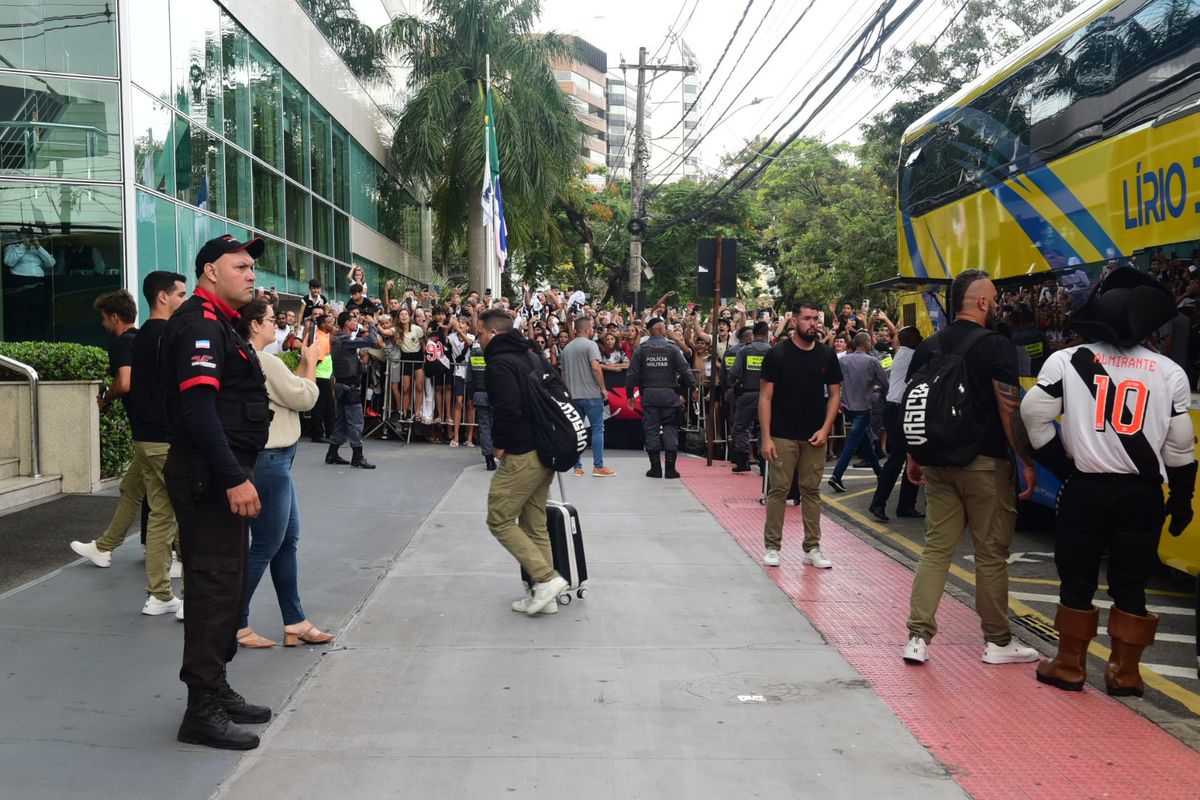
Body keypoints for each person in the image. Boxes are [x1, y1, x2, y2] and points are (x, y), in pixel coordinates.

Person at [1022, 267, 1196, 696]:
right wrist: (1182, 498)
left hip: (1086, 487)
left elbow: (1032, 415)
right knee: (1132, 581)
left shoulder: (1068, 360)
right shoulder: (1169, 372)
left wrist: (1061, 466)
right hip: (1142, 493)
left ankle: (1069, 664)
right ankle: (1125, 673)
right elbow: (1180, 446)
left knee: (1076, 576)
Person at [160, 234, 273, 750]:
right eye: (241, 266)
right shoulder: (202, 326)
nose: (250, 274)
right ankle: (200, 708)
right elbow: (200, 411)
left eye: (252, 267)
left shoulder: (222, 322)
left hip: (219, 476)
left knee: (229, 582)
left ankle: (217, 686)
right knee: (211, 587)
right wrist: (233, 477)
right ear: (210, 271)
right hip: (209, 480)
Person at [902, 269, 1040, 667]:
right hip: (985, 464)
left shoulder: (928, 346)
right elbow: (1008, 408)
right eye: (994, 298)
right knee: (990, 553)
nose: (997, 305)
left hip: (937, 463)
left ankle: (917, 637)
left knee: (937, 549)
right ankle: (997, 641)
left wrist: (915, 456)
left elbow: (917, 403)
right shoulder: (996, 345)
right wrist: (1027, 461)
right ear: (982, 302)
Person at [72, 277, 187, 615]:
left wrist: (105, 398)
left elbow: (125, 382)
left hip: (148, 438)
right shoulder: (152, 338)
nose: (103, 323)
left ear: (113, 317)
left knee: (161, 510)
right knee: (173, 511)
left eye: (103, 318)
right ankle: (167, 591)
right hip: (159, 439)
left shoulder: (130, 342)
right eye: (182, 294)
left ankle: (158, 590)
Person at [232, 298, 335, 650]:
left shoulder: (251, 357)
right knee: (266, 545)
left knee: (285, 543)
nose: (276, 324)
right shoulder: (262, 360)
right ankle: (235, 621)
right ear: (255, 325)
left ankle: (295, 620)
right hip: (271, 460)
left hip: (275, 459)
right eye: (271, 319)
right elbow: (305, 398)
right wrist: (309, 363)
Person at [479, 308, 568, 616]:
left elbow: (507, 408)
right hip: (546, 449)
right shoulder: (532, 355)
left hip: (523, 452)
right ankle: (545, 596)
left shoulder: (500, 363)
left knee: (499, 517)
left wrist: (499, 445)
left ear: (492, 333)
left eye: (479, 333)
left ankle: (545, 580)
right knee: (534, 523)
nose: (477, 340)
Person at [758, 300, 843, 569]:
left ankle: (813, 547)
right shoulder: (777, 354)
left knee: (811, 491)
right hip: (782, 434)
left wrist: (826, 429)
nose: (813, 324)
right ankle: (772, 547)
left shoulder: (826, 355)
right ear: (794, 321)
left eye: (816, 319)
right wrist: (767, 437)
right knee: (779, 490)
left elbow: (835, 395)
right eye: (807, 318)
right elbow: (765, 397)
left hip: (814, 435)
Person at [626, 317, 694, 479]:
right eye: (664, 328)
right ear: (661, 329)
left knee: (651, 431)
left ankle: (655, 468)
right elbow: (685, 371)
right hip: (669, 396)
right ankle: (670, 469)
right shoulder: (672, 348)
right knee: (670, 429)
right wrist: (692, 389)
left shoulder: (641, 349)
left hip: (649, 395)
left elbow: (632, 375)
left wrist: (630, 395)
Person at [868, 325, 924, 521]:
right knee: (899, 458)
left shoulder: (901, 352)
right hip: (899, 409)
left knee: (910, 456)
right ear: (909, 338)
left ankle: (906, 505)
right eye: (918, 335)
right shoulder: (910, 354)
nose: (922, 337)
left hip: (894, 408)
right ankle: (878, 503)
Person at [827, 332, 887, 492]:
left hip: (848, 407)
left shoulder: (844, 361)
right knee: (852, 443)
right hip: (863, 407)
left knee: (865, 441)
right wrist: (877, 390)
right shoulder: (872, 361)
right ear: (867, 343)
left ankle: (879, 472)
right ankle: (836, 476)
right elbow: (885, 383)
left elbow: (835, 382)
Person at [325, 310, 382, 469]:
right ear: (346, 323)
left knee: (342, 423)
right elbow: (371, 340)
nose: (356, 320)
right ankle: (358, 456)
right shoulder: (345, 341)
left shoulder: (339, 340)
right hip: (350, 389)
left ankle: (332, 453)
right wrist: (371, 323)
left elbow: (353, 364)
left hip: (343, 387)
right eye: (353, 319)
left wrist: (361, 365)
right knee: (356, 422)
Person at [560, 317, 616, 478]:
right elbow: (596, 368)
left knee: (577, 431)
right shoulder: (591, 345)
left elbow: (563, 374)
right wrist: (603, 388)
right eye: (592, 328)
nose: (593, 331)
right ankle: (598, 466)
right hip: (591, 395)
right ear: (586, 328)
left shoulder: (567, 349)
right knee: (598, 428)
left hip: (572, 395)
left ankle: (577, 466)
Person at [729, 321, 771, 472]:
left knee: (741, 427)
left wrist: (733, 384)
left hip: (746, 394)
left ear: (753, 335)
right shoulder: (772, 351)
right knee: (764, 428)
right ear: (767, 334)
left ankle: (742, 462)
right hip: (767, 396)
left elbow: (733, 372)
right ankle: (763, 464)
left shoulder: (745, 350)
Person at [467, 335, 495, 470]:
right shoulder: (495, 355)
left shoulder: (474, 355)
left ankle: (489, 458)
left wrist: (471, 396)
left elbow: (469, 379)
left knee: (484, 427)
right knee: (495, 425)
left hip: (479, 394)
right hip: (495, 395)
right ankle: (497, 453)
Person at [307, 311, 335, 443]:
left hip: (324, 376)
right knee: (321, 406)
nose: (332, 324)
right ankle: (317, 434)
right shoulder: (322, 339)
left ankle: (330, 432)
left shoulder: (324, 336)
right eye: (329, 322)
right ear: (322, 325)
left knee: (328, 406)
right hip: (320, 377)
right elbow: (317, 359)